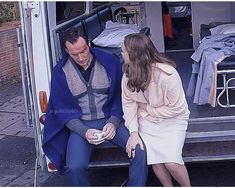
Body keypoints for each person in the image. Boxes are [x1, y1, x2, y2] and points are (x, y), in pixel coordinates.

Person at [42, 27, 148, 186]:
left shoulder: (110, 62)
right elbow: (62, 110)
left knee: (139, 151)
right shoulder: (60, 72)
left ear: (89, 44)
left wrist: (114, 121)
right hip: (81, 125)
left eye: (83, 51)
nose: (81, 57)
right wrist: (84, 131)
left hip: (111, 119)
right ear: (66, 51)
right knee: (75, 166)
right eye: (74, 54)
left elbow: (122, 96)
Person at [121, 33, 191, 186]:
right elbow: (129, 105)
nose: (121, 53)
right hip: (147, 122)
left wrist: (147, 110)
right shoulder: (127, 75)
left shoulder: (168, 75)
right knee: (157, 162)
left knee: (171, 163)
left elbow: (177, 109)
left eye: (123, 50)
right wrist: (133, 132)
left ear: (133, 55)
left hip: (172, 120)